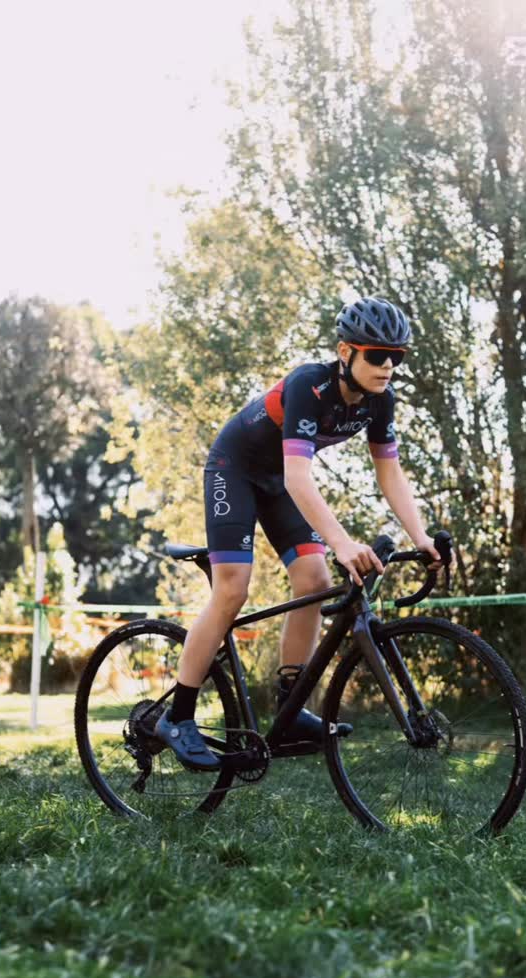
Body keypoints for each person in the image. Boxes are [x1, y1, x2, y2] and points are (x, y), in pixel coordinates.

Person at [155, 296, 443, 770]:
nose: (387, 365)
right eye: (376, 354)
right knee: (232, 589)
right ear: (345, 351)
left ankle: (289, 710)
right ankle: (178, 717)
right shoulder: (310, 385)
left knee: (313, 581)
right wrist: (344, 543)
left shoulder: (379, 401)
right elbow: (299, 478)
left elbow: (389, 472)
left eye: (397, 356)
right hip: (236, 469)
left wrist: (422, 537)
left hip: (280, 480)